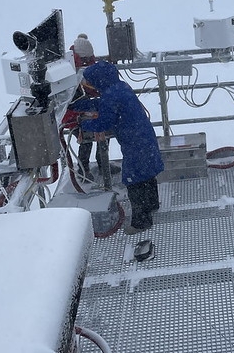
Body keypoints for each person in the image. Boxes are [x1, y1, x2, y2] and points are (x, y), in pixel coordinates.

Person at [71, 60, 164, 234]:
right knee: (147, 174)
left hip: (134, 142)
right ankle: (151, 205)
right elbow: (105, 105)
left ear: (99, 80)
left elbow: (104, 122)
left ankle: (141, 222)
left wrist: (82, 125)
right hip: (144, 137)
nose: (90, 85)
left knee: (134, 180)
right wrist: (82, 106)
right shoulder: (119, 87)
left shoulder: (110, 95)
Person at [62, 34, 114, 188]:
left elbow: (89, 83)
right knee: (85, 138)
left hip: (83, 105)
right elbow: (69, 99)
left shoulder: (84, 60)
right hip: (73, 112)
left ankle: (102, 162)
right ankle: (84, 168)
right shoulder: (69, 68)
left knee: (104, 130)